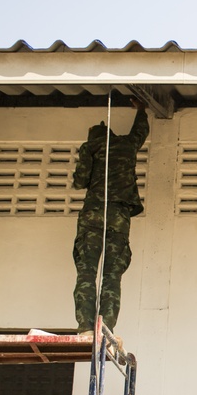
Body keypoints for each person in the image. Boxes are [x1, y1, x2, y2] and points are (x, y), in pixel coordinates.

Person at [72, 98, 150, 335]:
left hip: (93, 216)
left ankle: (86, 326)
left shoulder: (91, 147)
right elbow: (140, 132)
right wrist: (141, 110)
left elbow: (80, 181)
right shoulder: (126, 145)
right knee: (112, 276)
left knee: (86, 273)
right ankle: (105, 327)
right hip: (118, 217)